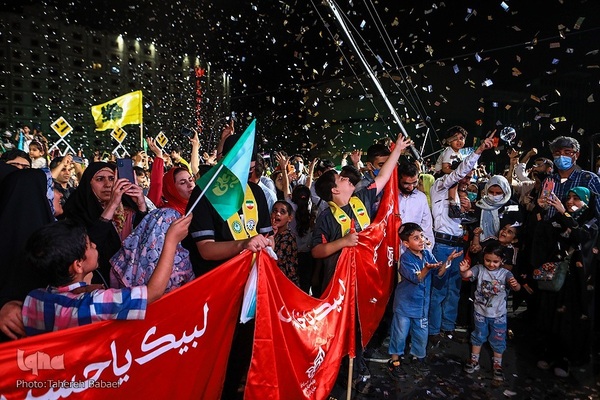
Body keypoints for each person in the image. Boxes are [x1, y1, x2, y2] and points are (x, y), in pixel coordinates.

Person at [311, 134, 412, 394]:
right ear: (335, 190)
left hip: (368, 278)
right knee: (344, 329)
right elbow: (316, 251)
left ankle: (357, 363)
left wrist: (398, 150)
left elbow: (383, 177)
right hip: (340, 286)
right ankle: (346, 370)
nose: (347, 178)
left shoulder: (361, 199)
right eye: (342, 178)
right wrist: (342, 242)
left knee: (362, 324)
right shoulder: (325, 218)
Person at [21, 216, 191, 336]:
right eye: (89, 245)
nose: (95, 245)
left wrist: (85, 288)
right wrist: (171, 241)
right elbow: (152, 292)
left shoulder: (33, 299)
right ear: (78, 265)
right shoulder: (94, 303)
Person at [428, 136, 494, 346]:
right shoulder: (440, 186)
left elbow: (462, 221)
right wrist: (479, 150)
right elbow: (459, 171)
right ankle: (433, 330)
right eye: (465, 176)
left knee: (454, 290)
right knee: (438, 289)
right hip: (442, 246)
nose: (467, 179)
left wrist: (466, 211)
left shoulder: (461, 195)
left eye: (469, 177)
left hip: (457, 244)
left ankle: (448, 328)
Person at [388, 223, 461, 380]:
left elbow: (439, 272)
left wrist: (448, 262)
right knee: (400, 334)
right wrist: (427, 269)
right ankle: (395, 361)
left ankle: (417, 358)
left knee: (421, 334)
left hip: (422, 306)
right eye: (416, 238)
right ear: (406, 244)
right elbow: (417, 278)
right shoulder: (405, 259)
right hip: (405, 305)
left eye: (421, 236)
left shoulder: (427, 254)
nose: (421, 240)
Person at [110, 166, 196, 293]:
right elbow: (153, 258)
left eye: (191, 179)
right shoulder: (167, 216)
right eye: (182, 183)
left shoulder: (198, 210)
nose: (190, 185)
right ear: (171, 189)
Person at [62, 162, 148, 286]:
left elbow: (145, 239)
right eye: (100, 179)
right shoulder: (77, 212)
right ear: (88, 183)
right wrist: (112, 205)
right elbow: (89, 245)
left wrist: (141, 206)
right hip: (97, 283)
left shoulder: (128, 211)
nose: (108, 185)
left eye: (112, 179)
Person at [460, 242, 521, 382]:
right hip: (480, 312)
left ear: (502, 261)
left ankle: (497, 365)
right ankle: (474, 361)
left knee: (498, 339)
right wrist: (463, 270)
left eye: (495, 262)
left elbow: (517, 289)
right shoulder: (479, 269)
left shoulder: (505, 273)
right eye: (488, 260)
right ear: (483, 258)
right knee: (478, 335)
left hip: (498, 315)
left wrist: (515, 285)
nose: (491, 264)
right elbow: (467, 274)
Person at [434, 126, 468, 219]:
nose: (459, 141)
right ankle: (453, 207)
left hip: (448, 177)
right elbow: (445, 169)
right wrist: (457, 175)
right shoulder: (449, 151)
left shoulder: (459, 154)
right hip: (440, 176)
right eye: (455, 139)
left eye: (461, 138)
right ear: (449, 141)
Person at [271, 200, 300, 286]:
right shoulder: (272, 234)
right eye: (275, 211)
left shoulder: (287, 237)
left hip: (285, 283)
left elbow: (275, 260)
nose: (277, 214)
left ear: (290, 218)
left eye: (282, 212)